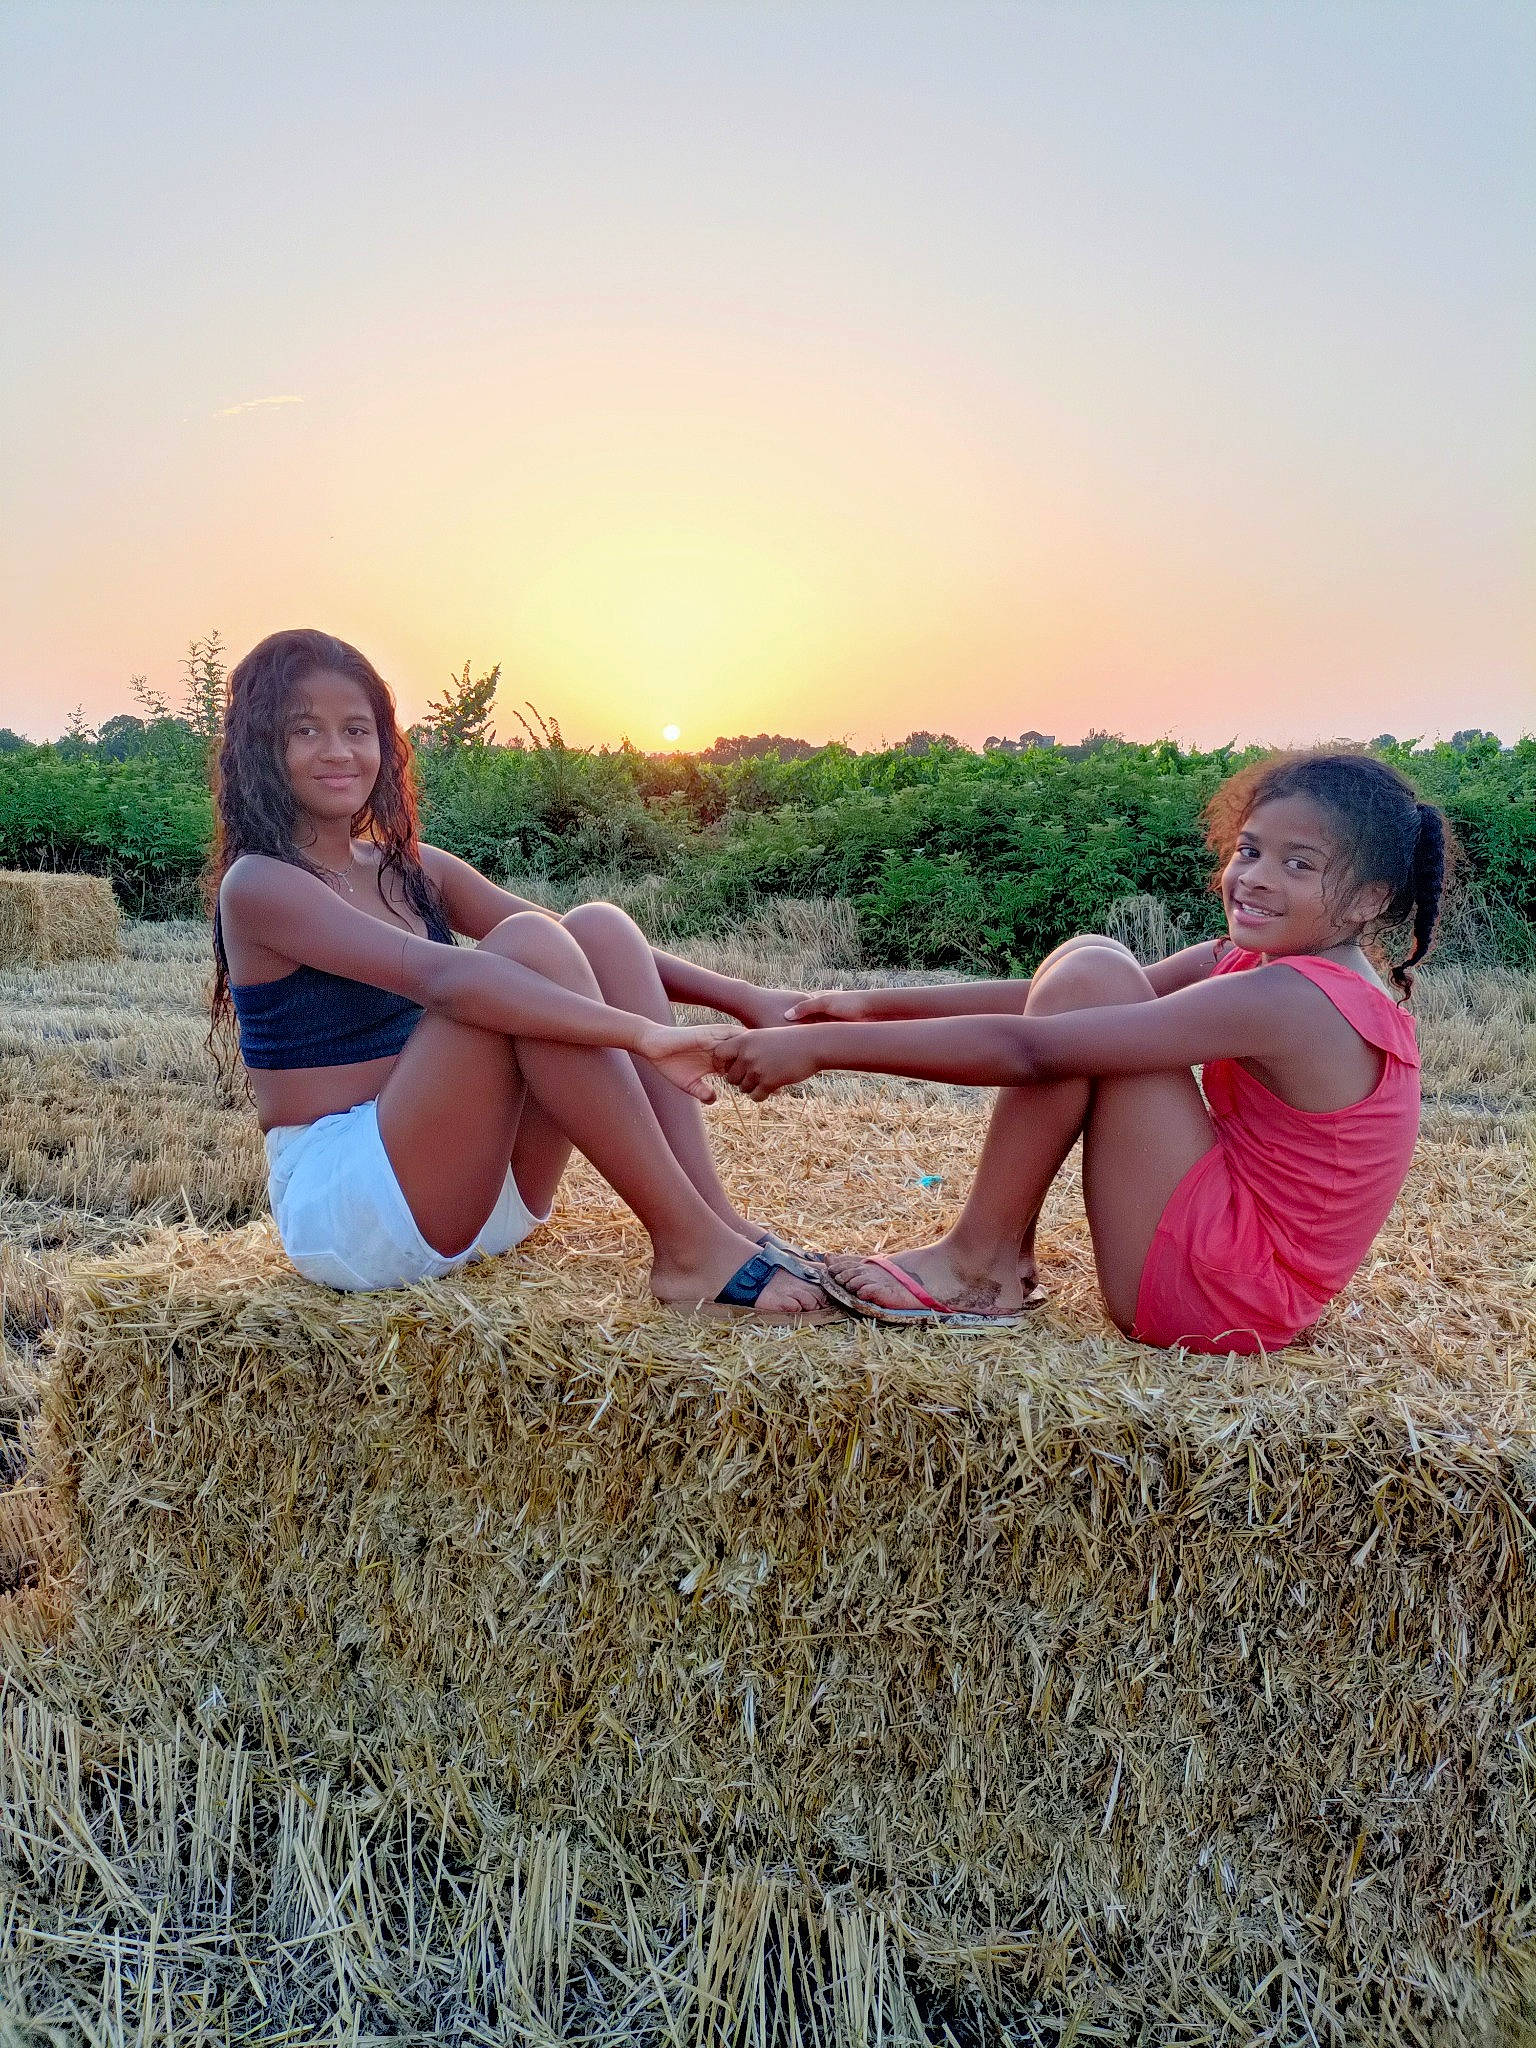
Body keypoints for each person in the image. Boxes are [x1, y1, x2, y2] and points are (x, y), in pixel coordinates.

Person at [712, 752, 1446, 1354]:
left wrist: (823, 1048)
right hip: (1250, 1281)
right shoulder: (1262, 970)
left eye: (1299, 864)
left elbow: (1036, 1049)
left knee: (1098, 974)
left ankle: (978, 1261)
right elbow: (1047, 998)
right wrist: (874, 1002)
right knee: (1096, 960)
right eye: (1249, 850)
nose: (1253, 876)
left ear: (1369, 901)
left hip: (1224, 1299)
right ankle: (993, 1256)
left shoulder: (1296, 1001)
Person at [210, 628, 828, 1318]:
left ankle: (712, 1222)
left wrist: (743, 997)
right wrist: (640, 1035)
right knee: (528, 945)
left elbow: (575, 948)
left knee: (596, 926)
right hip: (357, 1211)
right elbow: (448, 981)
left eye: (357, 729)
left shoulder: (411, 870)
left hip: (482, 1191)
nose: (338, 751)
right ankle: (689, 1251)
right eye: (306, 731)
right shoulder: (260, 885)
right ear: (262, 747)